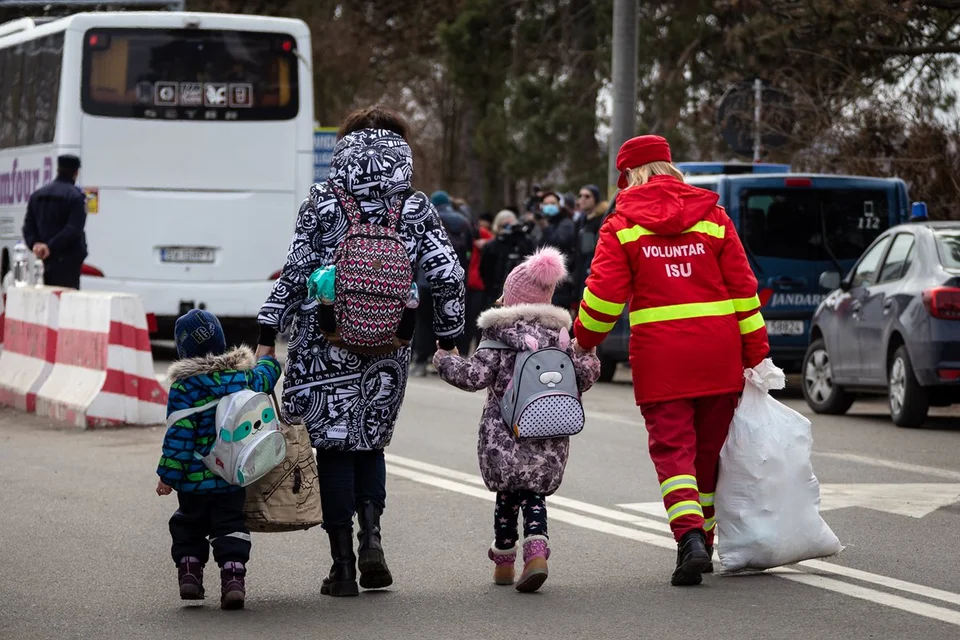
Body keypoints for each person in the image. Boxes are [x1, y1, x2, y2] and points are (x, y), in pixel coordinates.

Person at [256, 106, 465, 597]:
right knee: (370, 441)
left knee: (331, 447)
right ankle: (373, 541)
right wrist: (450, 334)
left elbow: (294, 272)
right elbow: (449, 274)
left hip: (322, 343)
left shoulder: (323, 201)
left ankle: (343, 565)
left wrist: (267, 332)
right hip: (389, 344)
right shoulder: (414, 206)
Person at [572, 135, 769, 586]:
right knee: (707, 455)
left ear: (628, 176)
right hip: (719, 355)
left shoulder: (621, 224)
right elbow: (744, 290)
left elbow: (603, 299)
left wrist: (583, 339)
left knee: (672, 451)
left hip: (661, 358)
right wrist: (757, 352)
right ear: (669, 167)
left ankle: (690, 540)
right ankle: (706, 537)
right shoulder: (713, 216)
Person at [433, 247, 600, 593]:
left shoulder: (497, 337)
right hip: (549, 434)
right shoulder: (562, 338)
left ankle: (505, 563)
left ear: (511, 298)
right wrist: (590, 355)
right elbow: (582, 376)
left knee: (507, 497)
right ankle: (536, 553)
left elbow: (473, 377)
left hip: (504, 433)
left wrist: (444, 357)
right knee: (533, 496)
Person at [156, 309, 283, 610]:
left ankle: (189, 573)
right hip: (231, 476)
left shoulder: (184, 388)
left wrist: (168, 476)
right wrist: (266, 358)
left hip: (193, 483)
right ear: (221, 340)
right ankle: (233, 579)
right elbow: (267, 375)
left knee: (188, 525)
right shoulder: (241, 377)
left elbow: (179, 437)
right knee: (231, 525)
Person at [22, 154, 88, 289]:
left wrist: (36, 245)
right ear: (76, 173)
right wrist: (50, 247)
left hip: (43, 260)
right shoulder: (76, 196)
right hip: (68, 262)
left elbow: (28, 226)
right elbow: (73, 229)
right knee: (66, 301)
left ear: (58, 170)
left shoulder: (37, 195)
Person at [480, 209, 536, 303]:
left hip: (521, 292)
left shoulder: (525, 242)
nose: (509, 228)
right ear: (498, 227)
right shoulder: (492, 246)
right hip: (496, 291)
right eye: (505, 225)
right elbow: (485, 271)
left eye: (512, 225)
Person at [458, 212, 495, 354]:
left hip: (476, 284)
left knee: (473, 320)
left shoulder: (481, 235)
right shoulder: (472, 235)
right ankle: (467, 350)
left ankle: (470, 350)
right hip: (472, 282)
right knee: (470, 320)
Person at [538, 191, 578, 312]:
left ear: (560, 205)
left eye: (552, 203)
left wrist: (545, 228)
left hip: (559, 283)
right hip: (539, 281)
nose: (549, 206)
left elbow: (558, 243)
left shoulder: (566, 223)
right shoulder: (538, 223)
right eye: (546, 204)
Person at [573, 198, 608, 301]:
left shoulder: (602, 221)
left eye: (587, 196)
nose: (582, 199)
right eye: (580, 195)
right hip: (582, 271)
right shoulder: (581, 221)